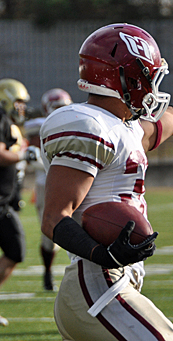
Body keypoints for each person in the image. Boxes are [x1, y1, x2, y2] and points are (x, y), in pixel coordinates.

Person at [40, 23, 173, 341]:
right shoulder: (89, 127)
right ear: (128, 77)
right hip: (95, 284)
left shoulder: (128, 128)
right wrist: (103, 254)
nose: (153, 87)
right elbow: (53, 217)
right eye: (150, 77)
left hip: (114, 281)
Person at [24, 88, 73, 291]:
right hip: (46, 183)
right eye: (57, 108)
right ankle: (48, 272)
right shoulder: (37, 126)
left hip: (72, 180)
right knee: (50, 234)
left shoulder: (76, 123)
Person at [0, 78, 38, 326]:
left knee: (15, 250)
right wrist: (23, 154)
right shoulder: (1, 119)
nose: (21, 108)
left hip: (4, 201)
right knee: (16, 249)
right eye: (18, 102)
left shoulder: (7, 121)